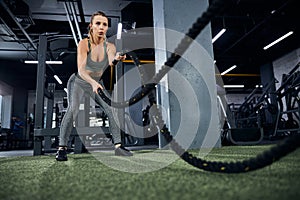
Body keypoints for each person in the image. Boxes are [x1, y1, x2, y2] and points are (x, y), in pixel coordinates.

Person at [56, 11, 133, 161]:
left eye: (104, 24)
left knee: (111, 108)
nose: (101, 27)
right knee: (73, 109)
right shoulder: (84, 44)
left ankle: (118, 147)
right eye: (98, 23)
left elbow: (112, 62)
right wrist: (92, 82)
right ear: (91, 26)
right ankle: (61, 148)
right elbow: (81, 69)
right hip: (80, 80)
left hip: (98, 82)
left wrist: (118, 58)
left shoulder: (110, 46)